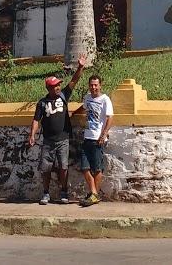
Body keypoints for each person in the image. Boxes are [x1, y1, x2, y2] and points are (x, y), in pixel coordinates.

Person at [28, 56, 86, 205]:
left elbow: (73, 81)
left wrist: (80, 68)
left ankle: (64, 191)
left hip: (63, 139)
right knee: (46, 168)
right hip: (48, 141)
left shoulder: (64, 96)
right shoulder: (42, 103)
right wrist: (32, 135)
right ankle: (46, 193)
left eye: (59, 85)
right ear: (49, 88)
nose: (58, 87)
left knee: (63, 167)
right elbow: (36, 120)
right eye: (55, 86)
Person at [76, 74, 113, 206]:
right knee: (84, 167)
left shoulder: (105, 100)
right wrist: (73, 113)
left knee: (97, 168)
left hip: (98, 138)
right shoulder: (87, 98)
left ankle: (94, 194)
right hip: (87, 136)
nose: (93, 87)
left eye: (96, 85)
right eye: (91, 85)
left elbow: (109, 118)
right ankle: (94, 193)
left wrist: (103, 135)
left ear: (100, 85)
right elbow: (84, 108)